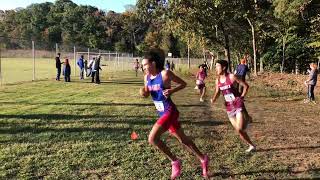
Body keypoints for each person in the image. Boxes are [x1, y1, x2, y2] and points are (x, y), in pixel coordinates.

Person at [140, 49, 209, 179]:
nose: (143, 67)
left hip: (169, 111)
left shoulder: (165, 74)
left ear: (153, 63)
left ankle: (175, 161)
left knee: (152, 139)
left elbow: (183, 84)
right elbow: (147, 92)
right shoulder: (146, 77)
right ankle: (203, 158)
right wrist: (143, 93)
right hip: (161, 113)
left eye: (145, 64)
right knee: (183, 140)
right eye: (142, 65)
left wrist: (172, 91)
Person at [210, 60, 256, 153]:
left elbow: (246, 86)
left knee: (240, 128)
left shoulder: (232, 77)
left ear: (224, 67)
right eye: (216, 66)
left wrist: (242, 97)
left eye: (218, 66)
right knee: (239, 131)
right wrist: (213, 99)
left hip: (238, 104)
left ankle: (246, 117)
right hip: (229, 107)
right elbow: (217, 92)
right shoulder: (217, 80)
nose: (216, 68)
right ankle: (251, 145)